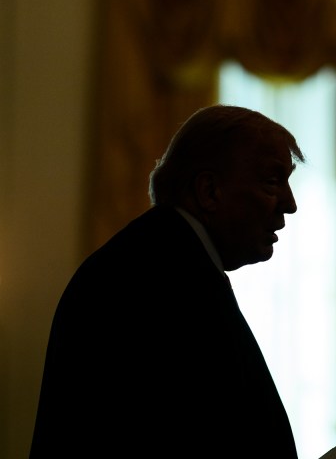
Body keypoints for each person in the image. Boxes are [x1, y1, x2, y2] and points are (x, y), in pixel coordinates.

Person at [30, 105, 302, 458]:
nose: (290, 204)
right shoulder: (155, 279)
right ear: (209, 191)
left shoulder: (167, 260)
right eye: (271, 181)